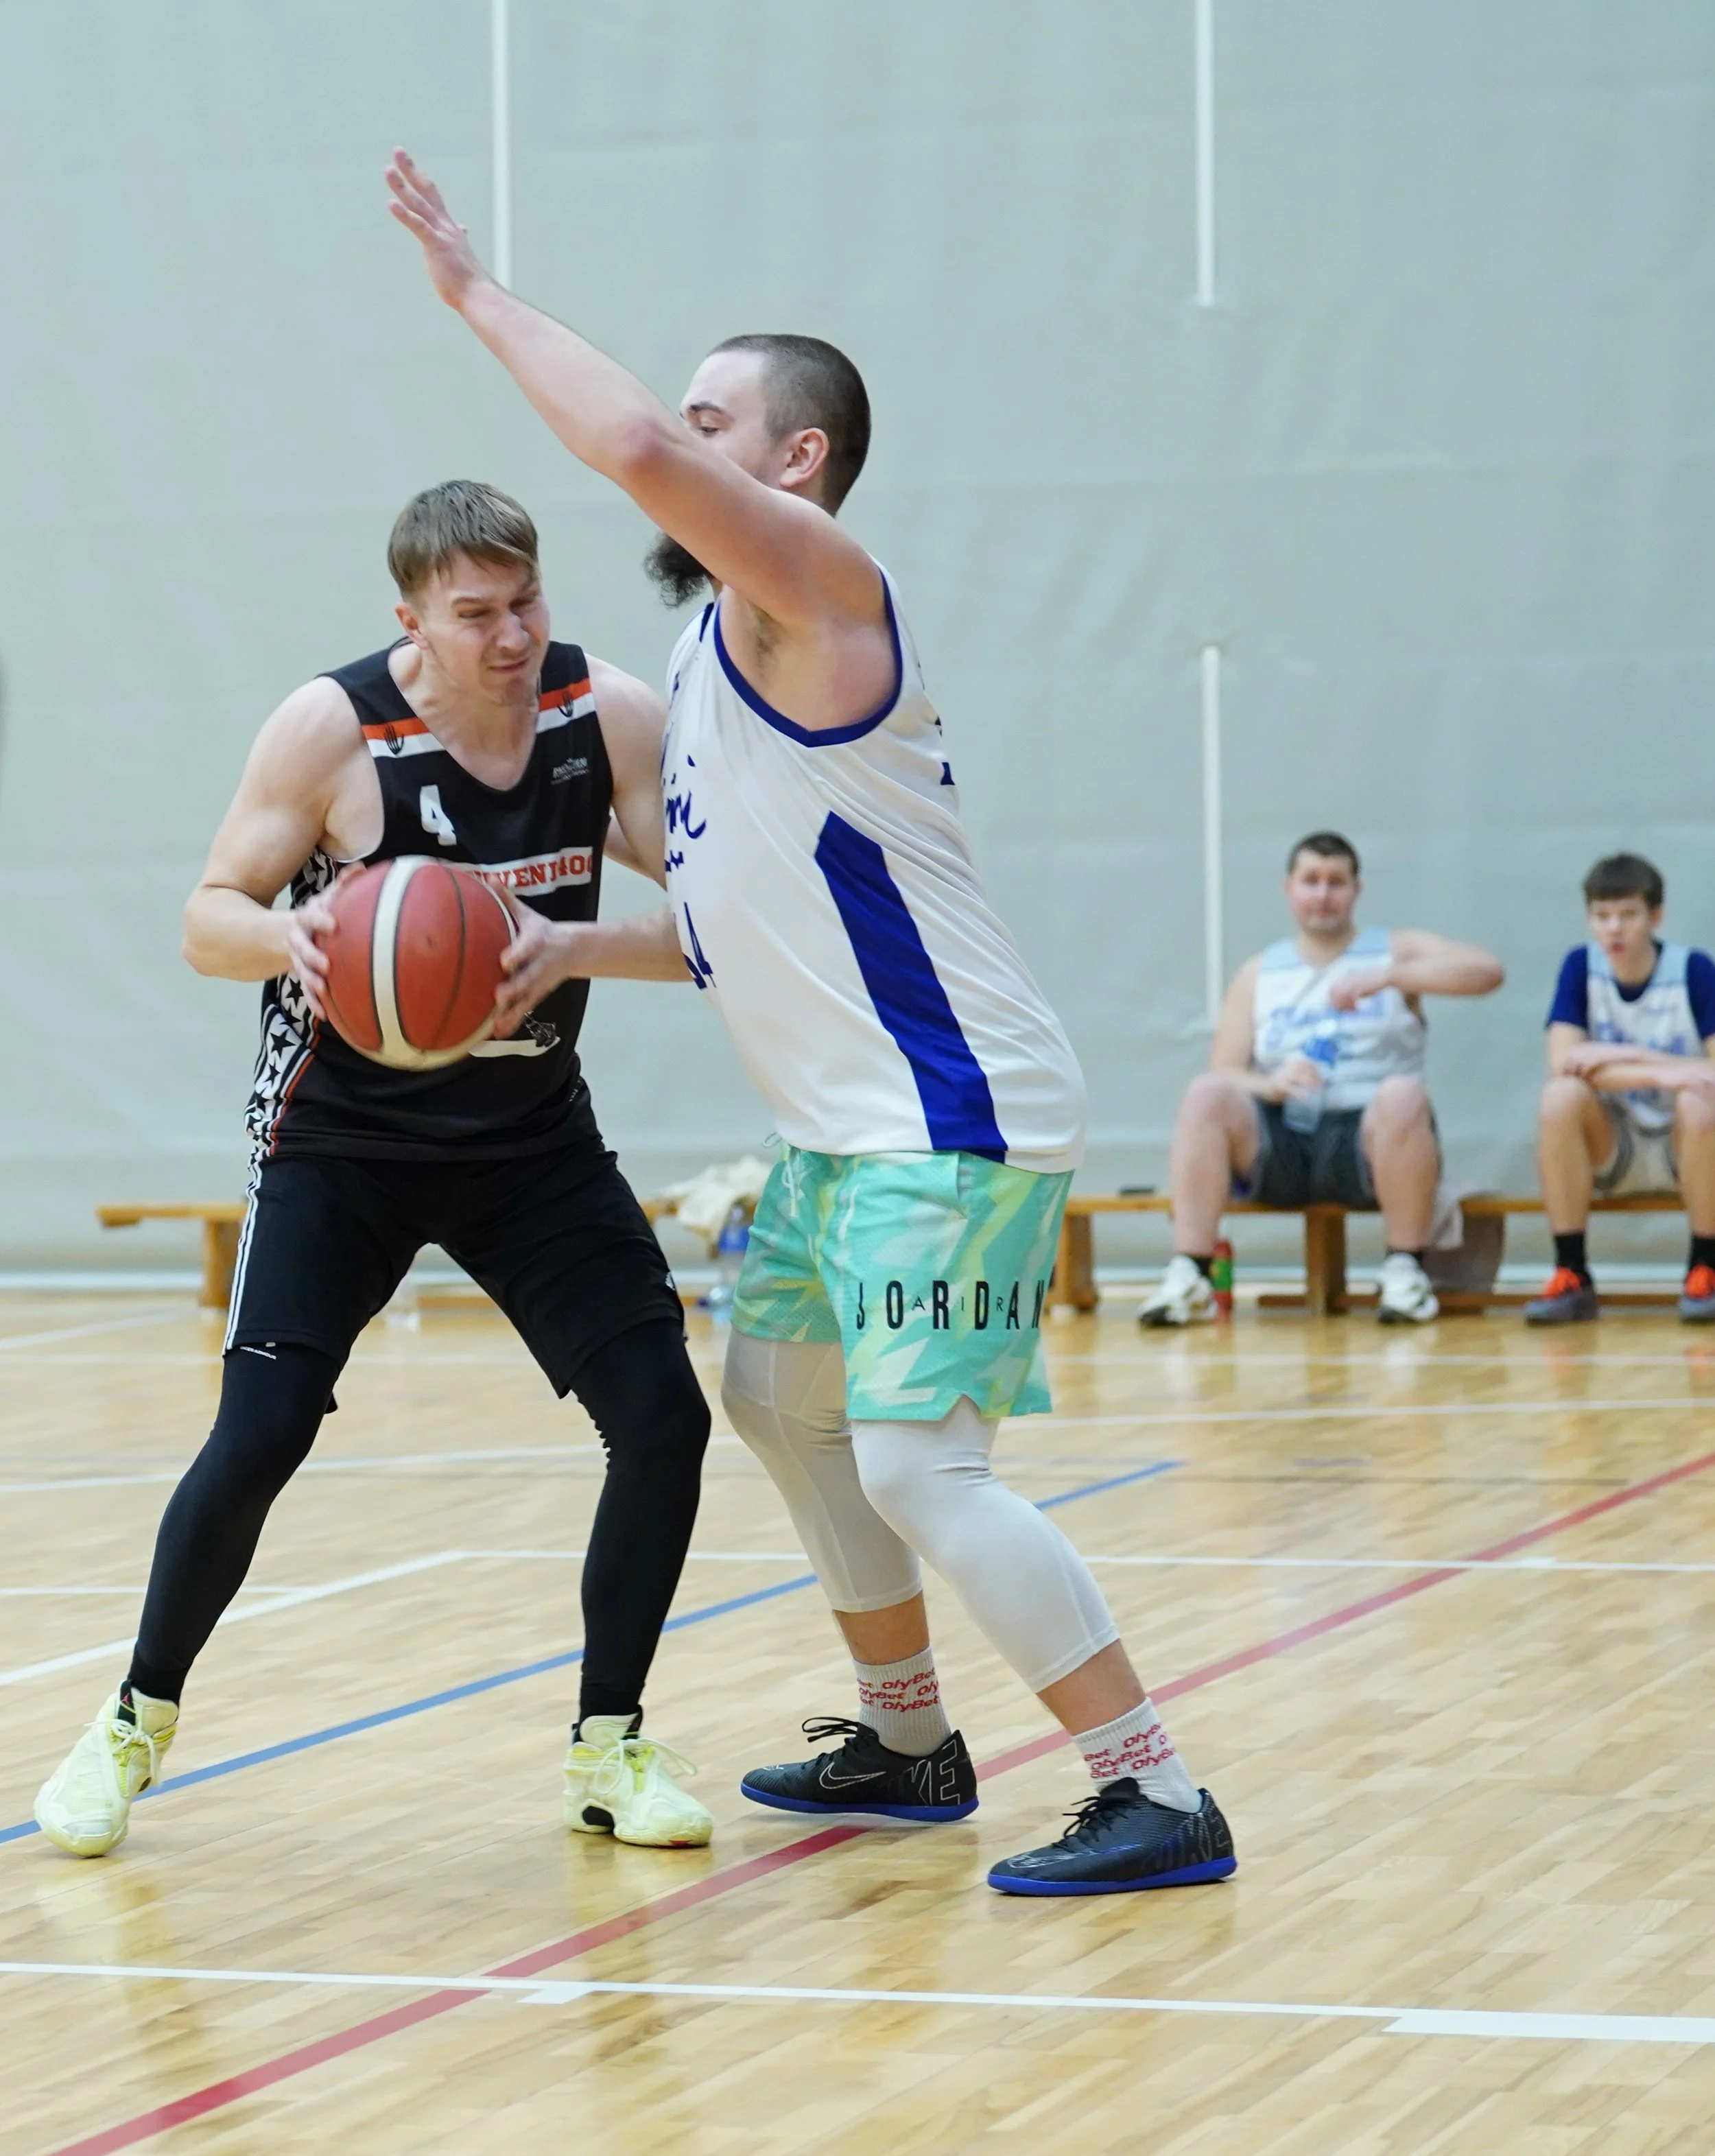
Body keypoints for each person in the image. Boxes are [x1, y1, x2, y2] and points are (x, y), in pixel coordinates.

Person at [385, 151, 1235, 1898]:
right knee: (779, 1398)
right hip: (840, 1131)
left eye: (714, 419)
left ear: (796, 462)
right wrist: (564, 945)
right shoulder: (713, 663)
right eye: (684, 415)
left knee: (924, 1467)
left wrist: (475, 295)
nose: (675, 437)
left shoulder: (825, 596)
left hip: (949, 1114)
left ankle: (1153, 1785)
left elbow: (626, 444)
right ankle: (907, 1737)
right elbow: (733, 935)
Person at [34, 482, 715, 1859]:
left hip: (530, 1141)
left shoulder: (609, 717)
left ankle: (607, 1745)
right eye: (475, 614)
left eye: (526, 601)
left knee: (663, 1416)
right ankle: (131, 1719)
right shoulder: (332, 730)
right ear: (411, 619)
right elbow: (206, 916)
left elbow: (719, 918)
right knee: (261, 1433)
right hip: (341, 1141)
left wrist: (581, 945)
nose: (511, 634)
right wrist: (300, 940)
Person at [1139, 832, 1504, 1328]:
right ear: (1289, 888)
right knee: (1205, 1094)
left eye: (1336, 882)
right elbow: (1224, 1068)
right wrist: (1270, 1085)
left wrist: (1392, 977)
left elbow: (1487, 970)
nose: (1323, 893)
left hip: (1369, 1140)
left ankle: (1404, 1270)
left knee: (1402, 1094)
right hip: (1284, 1136)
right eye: (1311, 880)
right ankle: (1191, 1272)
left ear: (1357, 889)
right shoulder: (1260, 972)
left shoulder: (1393, 951)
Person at [1525, 853, 1715, 1325]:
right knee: (1560, 1096)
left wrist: (1625, 1056)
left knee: (1700, 1099)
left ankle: (1706, 1266)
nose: (1614, 928)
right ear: (1589, 919)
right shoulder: (1581, 966)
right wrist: (1663, 1072)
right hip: (1613, 1144)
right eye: (1602, 915)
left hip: (1685, 1142)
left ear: (1655, 917)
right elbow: (1564, 1062)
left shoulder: (1693, 969)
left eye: (1628, 914)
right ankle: (1572, 1271)